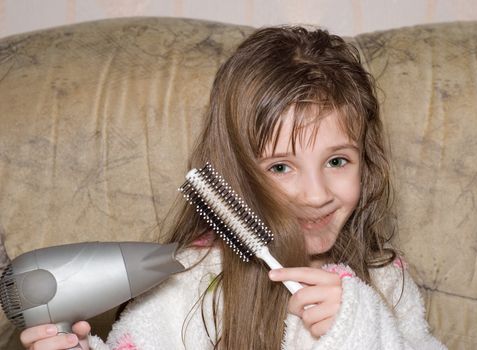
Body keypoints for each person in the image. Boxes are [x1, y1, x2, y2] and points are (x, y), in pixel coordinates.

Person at [20, 26, 446, 350]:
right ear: (234, 175)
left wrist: (362, 327)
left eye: (337, 161)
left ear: (365, 163)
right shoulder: (186, 284)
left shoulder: (385, 281)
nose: (316, 195)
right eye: (281, 166)